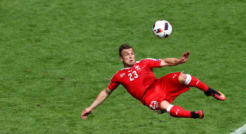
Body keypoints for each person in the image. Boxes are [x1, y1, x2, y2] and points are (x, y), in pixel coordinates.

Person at [81, 43, 226, 120]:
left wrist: (179, 61)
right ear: (121, 59)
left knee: (183, 77)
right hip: (148, 96)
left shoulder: (144, 62)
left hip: (159, 84)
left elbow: (164, 62)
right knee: (165, 106)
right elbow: (106, 92)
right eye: (126, 55)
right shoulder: (119, 76)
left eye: (132, 53)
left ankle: (209, 91)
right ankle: (193, 114)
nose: (130, 56)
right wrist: (90, 107)